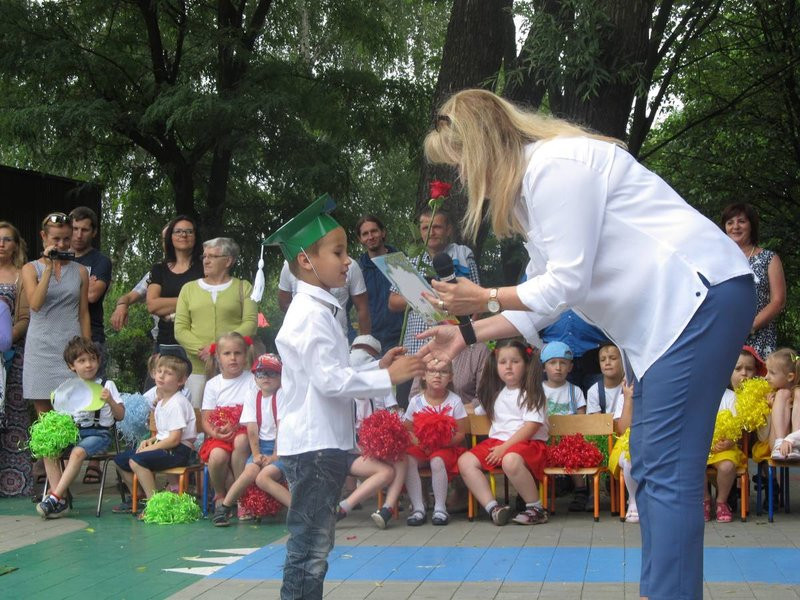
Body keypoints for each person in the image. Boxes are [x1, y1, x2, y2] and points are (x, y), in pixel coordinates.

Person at [419, 89, 755, 599]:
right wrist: (464, 332)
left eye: (460, 161)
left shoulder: (555, 167)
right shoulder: (534, 197)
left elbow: (567, 283)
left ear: (482, 146)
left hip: (697, 299)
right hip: (668, 322)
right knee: (648, 461)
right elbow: (542, 303)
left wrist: (483, 295)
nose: (463, 177)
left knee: (665, 469)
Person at [264, 194, 424, 600]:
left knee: (315, 544)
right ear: (305, 260)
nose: (348, 261)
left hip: (323, 443)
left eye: (347, 251)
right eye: (338, 252)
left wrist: (375, 367)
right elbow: (331, 382)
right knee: (310, 547)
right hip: (316, 446)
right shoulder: (309, 314)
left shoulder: (320, 310)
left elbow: (336, 374)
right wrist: (388, 377)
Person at [388, 207, 480, 407]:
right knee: (409, 404)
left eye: (437, 227)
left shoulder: (463, 255)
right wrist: (422, 294)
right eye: (425, 228)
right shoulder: (411, 262)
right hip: (416, 346)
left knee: (450, 406)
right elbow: (393, 302)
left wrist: (468, 337)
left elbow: (477, 301)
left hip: (452, 347)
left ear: (448, 229)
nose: (431, 232)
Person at [459, 340, 548, 526]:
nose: (508, 366)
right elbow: (471, 411)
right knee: (465, 461)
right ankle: (493, 508)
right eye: (502, 362)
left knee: (510, 459)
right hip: (498, 444)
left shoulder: (533, 393)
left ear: (526, 363)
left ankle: (536, 508)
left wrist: (505, 448)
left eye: (515, 361)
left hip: (528, 444)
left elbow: (531, 427)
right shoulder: (495, 394)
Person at [37, 337, 125, 518]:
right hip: (76, 433)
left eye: (92, 359)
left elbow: (120, 415)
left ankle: (54, 498)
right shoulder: (68, 389)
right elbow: (63, 419)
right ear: (72, 366)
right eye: (82, 361)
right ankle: (61, 500)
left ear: (98, 361)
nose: (88, 365)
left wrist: (110, 400)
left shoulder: (107, 385)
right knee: (48, 450)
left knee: (77, 452)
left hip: (99, 434)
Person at [21, 213, 90, 416]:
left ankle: (72, 450)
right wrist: (49, 268)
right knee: (46, 416)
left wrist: (87, 350)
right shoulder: (30, 268)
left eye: (66, 239)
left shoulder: (80, 271)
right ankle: (50, 450)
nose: (62, 244)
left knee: (73, 411)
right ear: (44, 237)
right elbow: (35, 303)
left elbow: (84, 312)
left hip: (71, 347)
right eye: (56, 239)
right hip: (41, 348)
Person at [175, 237, 257, 404]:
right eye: (204, 256)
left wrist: (215, 348)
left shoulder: (244, 287)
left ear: (228, 261)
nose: (206, 260)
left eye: (212, 256)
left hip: (237, 368)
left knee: (239, 415)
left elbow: (250, 324)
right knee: (197, 421)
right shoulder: (188, 289)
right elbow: (180, 329)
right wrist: (205, 351)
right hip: (198, 367)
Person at [337, 335, 407, 530]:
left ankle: (386, 509)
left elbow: (392, 414)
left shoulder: (376, 392)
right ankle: (343, 508)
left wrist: (388, 437)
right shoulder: (343, 400)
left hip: (368, 451)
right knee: (386, 471)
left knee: (402, 457)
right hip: (349, 455)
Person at [213, 353, 290, 526]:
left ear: (280, 376)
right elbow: (252, 428)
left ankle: (298, 510)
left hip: (283, 448)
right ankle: (225, 508)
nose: (266, 378)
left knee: (263, 478)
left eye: (272, 373)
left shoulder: (282, 394)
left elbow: (282, 428)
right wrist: (256, 454)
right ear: (255, 377)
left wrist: (276, 455)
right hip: (262, 446)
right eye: (260, 374)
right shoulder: (252, 395)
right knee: (250, 472)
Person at [113, 354, 196, 508]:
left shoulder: (177, 403)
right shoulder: (161, 402)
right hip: (166, 446)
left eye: (169, 373)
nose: (162, 376)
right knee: (120, 460)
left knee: (136, 460)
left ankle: (154, 504)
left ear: (181, 381)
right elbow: (163, 433)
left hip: (179, 451)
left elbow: (174, 439)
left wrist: (151, 447)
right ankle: (139, 497)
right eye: (159, 371)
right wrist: (149, 440)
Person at [403, 359, 468, 526]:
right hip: (422, 447)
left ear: (451, 377)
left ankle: (440, 508)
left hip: (446, 448)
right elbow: (408, 429)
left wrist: (443, 442)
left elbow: (461, 433)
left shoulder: (455, 401)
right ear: (423, 375)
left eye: (443, 371)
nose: (437, 375)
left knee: (437, 461)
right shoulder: (416, 401)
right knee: (407, 460)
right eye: (432, 371)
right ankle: (418, 508)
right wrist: (419, 441)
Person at [198, 332, 255, 512]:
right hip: (220, 434)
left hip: (244, 430)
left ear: (245, 356)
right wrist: (215, 433)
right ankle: (220, 494)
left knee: (241, 440)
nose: (233, 358)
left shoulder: (252, 380)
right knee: (217, 456)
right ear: (218, 358)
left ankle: (241, 495)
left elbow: (255, 413)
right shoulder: (213, 384)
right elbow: (206, 419)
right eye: (227, 354)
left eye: (238, 353)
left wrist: (238, 425)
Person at [705, 348, 762, 523]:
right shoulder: (702, 396)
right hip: (704, 447)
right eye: (738, 369)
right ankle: (705, 500)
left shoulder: (731, 397)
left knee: (728, 467)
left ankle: (721, 501)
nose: (744, 374)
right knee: (693, 463)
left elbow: (739, 426)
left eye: (748, 369)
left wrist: (730, 440)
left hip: (727, 447)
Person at [722, 203, 785, 359]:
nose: (735, 227)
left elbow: (778, 301)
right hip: (724, 336)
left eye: (741, 221)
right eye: (730, 223)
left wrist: (749, 327)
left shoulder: (769, 258)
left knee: (757, 383)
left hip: (759, 337)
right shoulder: (718, 260)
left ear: (751, 225)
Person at [0, 221, 32, 497]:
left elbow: (24, 316)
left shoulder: (23, 274)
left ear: (16, 244)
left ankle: (14, 484)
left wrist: (6, 338)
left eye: (7, 239)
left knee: (14, 414)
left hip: (14, 352)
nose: (2, 244)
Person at [146, 215, 204, 362]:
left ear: (196, 237)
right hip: (166, 342)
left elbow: (205, 302)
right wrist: (189, 301)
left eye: (189, 231)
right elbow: (152, 305)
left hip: (198, 341)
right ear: (170, 237)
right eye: (178, 231)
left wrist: (168, 310)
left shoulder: (204, 267)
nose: (183, 235)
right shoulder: (159, 269)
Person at [278, 258, 371, 339]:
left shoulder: (351, 266)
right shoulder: (290, 266)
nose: (347, 260)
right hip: (302, 340)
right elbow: (284, 303)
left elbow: (362, 308)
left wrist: (364, 345)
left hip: (341, 339)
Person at [68, 207, 112, 373]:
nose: (79, 235)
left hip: (92, 337)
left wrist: (65, 287)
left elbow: (93, 295)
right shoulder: (58, 259)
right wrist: (84, 283)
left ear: (94, 232)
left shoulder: (101, 261)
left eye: (85, 230)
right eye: (75, 229)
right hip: (62, 334)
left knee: (93, 395)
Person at [355, 215, 403, 354]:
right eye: (365, 234)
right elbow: (345, 307)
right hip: (374, 344)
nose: (370, 237)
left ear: (383, 232)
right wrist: (356, 340)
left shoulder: (401, 262)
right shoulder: (358, 270)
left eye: (374, 231)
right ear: (360, 239)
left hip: (403, 337)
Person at [539, 310, 608, 393]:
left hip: (595, 356)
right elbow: (531, 323)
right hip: (555, 357)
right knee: (557, 400)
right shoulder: (547, 298)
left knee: (601, 398)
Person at [762, 348, 800, 459]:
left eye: (772, 373)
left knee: (797, 392)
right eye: (767, 371)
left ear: (790, 377)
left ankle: (794, 442)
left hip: (796, 443)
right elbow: (762, 437)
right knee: (782, 393)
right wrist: (771, 409)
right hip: (776, 445)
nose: (766, 377)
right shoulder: (771, 395)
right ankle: (780, 443)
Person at [586, 342, 624, 415]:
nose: (607, 363)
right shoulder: (594, 391)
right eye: (602, 360)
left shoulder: (629, 387)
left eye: (613, 358)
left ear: (623, 361)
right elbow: (597, 422)